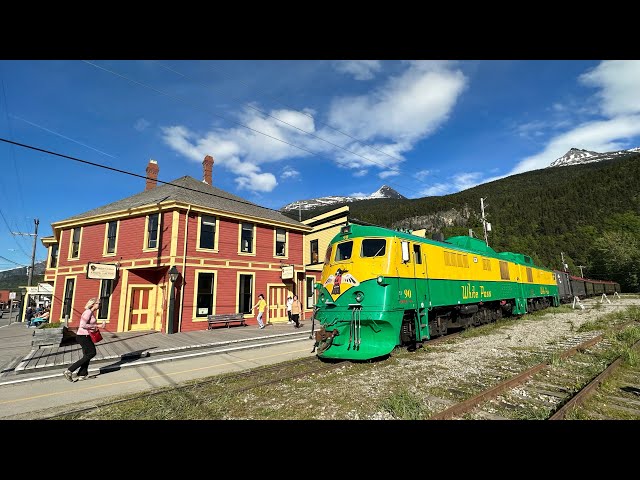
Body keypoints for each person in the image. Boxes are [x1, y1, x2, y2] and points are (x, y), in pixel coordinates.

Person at [63, 298, 105, 382]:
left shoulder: (91, 312)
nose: (100, 305)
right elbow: (82, 325)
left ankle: (82, 374)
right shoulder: (88, 312)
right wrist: (98, 326)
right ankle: (69, 371)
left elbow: (88, 324)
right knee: (92, 353)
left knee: (87, 355)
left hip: (85, 336)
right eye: (99, 303)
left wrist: (95, 327)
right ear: (93, 304)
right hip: (83, 336)